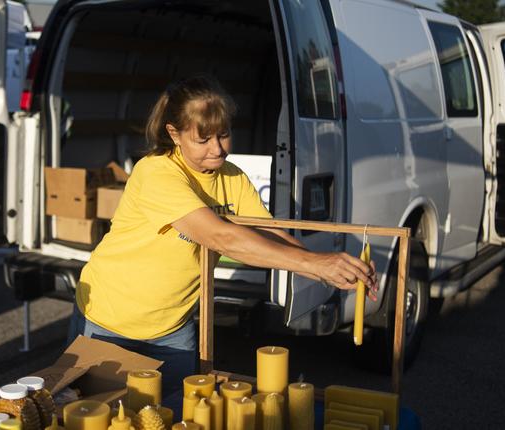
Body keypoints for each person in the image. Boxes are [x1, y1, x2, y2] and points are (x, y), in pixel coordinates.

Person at [67, 75, 378, 398]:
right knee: (102, 414)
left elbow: (270, 234)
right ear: (174, 134)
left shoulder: (232, 177)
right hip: (109, 323)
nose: (217, 149)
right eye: (203, 140)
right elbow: (221, 237)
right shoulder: (156, 173)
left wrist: (336, 270)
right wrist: (316, 264)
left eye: (224, 135)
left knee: (176, 414)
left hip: (172, 329)